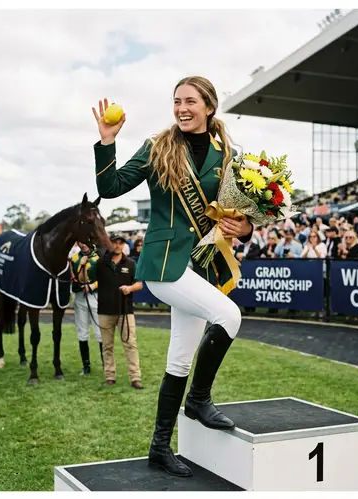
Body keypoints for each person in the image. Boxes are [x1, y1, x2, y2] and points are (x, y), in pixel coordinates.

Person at [92, 76, 252, 478]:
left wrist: (245, 227)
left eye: (190, 101)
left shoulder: (228, 152)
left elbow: (239, 213)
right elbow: (110, 187)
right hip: (163, 264)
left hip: (201, 265)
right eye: (176, 101)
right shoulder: (158, 146)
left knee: (179, 359)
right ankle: (199, 401)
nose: (181, 108)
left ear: (209, 107)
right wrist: (107, 141)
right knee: (229, 316)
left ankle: (159, 448)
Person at [86, 233, 145, 389]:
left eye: (120, 243)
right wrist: (89, 259)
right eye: (115, 242)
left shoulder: (131, 263)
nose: (117, 245)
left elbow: (139, 284)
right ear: (110, 244)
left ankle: (135, 378)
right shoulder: (100, 263)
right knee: (107, 346)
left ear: (123, 245)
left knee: (130, 344)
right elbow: (88, 277)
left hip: (125, 310)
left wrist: (130, 288)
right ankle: (110, 376)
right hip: (105, 310)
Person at [70, 241, 104, 375]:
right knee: (82, 331)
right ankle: (86, 366)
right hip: (80, 297)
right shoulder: (73, 258)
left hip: (95, 296)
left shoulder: (98, 258)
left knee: (100, 332)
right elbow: (72, 278)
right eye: (80, 241)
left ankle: (105, 365)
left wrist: (92, 286)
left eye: (85, 241)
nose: (83, 244)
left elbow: (105, 278)